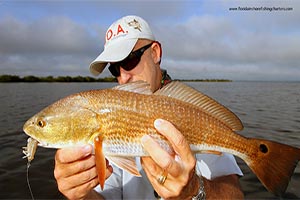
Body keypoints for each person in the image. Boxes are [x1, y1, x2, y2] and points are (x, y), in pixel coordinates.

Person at [54, 15, 244, 199]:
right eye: (114, 69)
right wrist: (82, 195)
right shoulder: (111, 122)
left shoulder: (193, 113)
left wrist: (194, 191)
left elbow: (234, 195)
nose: (123, 77)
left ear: (155, 53)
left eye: (129, 61)